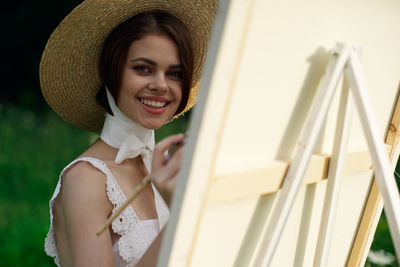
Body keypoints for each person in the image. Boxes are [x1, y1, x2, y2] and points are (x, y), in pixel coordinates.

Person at [40, 1, 217, 266]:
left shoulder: (174, 169)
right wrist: (178, 216)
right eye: (143, 68)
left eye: (175, 73)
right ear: (111, 71)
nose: (160, 85)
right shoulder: (86, 180)